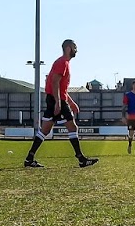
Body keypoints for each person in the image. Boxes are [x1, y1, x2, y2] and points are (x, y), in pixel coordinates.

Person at [23, 39, 97, 169]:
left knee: (44, 131)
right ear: (68, 48)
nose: (76, 50)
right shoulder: (62, 62)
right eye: (75, 47)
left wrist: (71, 102)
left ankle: (29, 158)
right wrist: (58, 102)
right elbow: (55, 83)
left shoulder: (63, 62)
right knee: (73, 128)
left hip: (55, 99)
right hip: (57, 101)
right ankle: (81, 159)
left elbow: (60, 87)